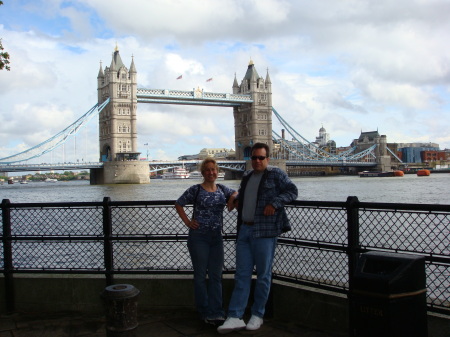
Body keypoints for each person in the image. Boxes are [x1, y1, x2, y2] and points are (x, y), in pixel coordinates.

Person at [217, 143, 298, 334]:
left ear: (267, 159)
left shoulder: (276, 174)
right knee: (242, 275)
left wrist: (275, 204)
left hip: (265, 232)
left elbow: (292, 191)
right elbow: (243, 195)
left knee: (263, 275)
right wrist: (234, 197)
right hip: (245, 230)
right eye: (253, 158)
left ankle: (257, 314)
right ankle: (235, 316)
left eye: (261, 158)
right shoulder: (246, 176)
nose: (257, 161)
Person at [175, 158, 237, 326]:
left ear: (218, 171)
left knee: (216, 276)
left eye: (214, 170)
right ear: (203, 173)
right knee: (201, 276)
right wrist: (188, 222)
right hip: (198, 238)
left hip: (216, 238)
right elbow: (179, 204)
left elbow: (236, 193)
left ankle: (217, 312)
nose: (211, 172)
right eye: (208, 170)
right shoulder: (195, 190)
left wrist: (232, 199)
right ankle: (204, 312)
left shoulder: (223, 189)